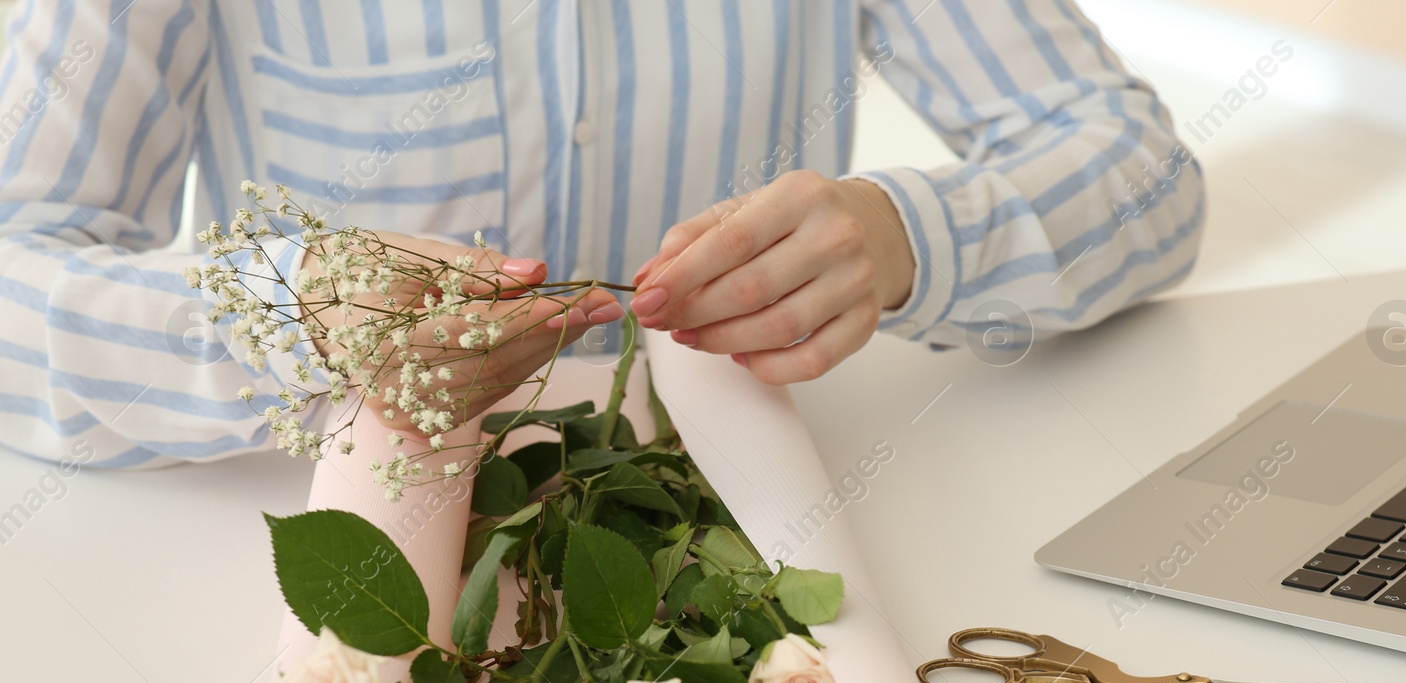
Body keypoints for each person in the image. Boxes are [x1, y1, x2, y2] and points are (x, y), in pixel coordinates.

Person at [0, 0, 1202, 468]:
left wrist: (907, 237)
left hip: (762, 534)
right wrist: (282, 317)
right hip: (335, 582)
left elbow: (1144, 173)